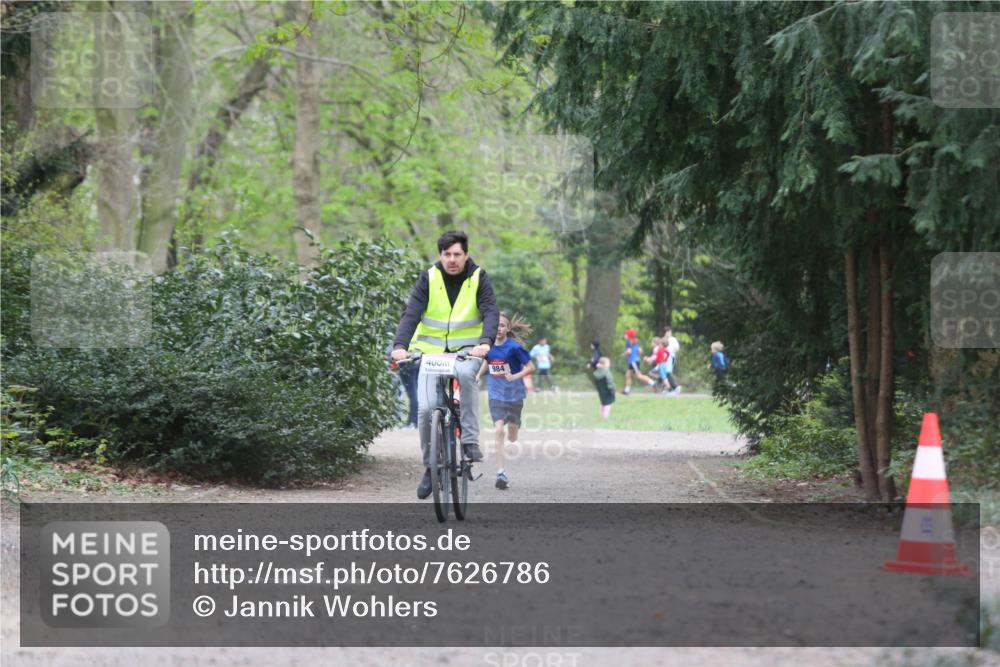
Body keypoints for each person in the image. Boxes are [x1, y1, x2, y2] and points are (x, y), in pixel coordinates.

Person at [390, 231, 499, 499]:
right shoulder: (429, 278)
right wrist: (399, 346)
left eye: (457, 254)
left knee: (465, 375)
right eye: (447, 254)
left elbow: (490, 311)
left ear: (466, 255)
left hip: (466, 351)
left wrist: (485, 342)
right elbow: (412, 313)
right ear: (440, 255)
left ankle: (470, 441)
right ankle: (431, 467)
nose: (452, 260)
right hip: (431, 353)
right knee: (426, 409)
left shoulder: (478, 278)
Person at [476, 312, 534, 490]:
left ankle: (514, 424)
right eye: (496, 325)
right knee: (498, 430)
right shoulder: (488, 347)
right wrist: (478, 375)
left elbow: (531, 367)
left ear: (508, 329)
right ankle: (501, 472)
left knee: (512, 437)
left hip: (515, 396)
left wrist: (515, 375)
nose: (498, 328)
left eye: (502, 325)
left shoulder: (514, 347)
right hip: (496, 396)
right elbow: (489, 361)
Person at [623, 329, 656, 394]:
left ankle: (652, 382)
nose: (625, 335)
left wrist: (624, 354)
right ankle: (626, 391)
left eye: (626, 334)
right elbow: (641, 351)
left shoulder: (628, 343)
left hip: (633, 362)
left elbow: (629, 352)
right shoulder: (635, 342)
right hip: (635, 361)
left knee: (639, 376)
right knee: (627, 375)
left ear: (629, 336)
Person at [663, 326, 682, 394]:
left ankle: (675, 387)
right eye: (667, 332)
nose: (669, 333)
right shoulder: (663, 339)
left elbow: (677, 348)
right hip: (664, 358)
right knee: (664, 373)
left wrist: (670, 352)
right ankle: (667, 387)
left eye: (670, 332)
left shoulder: (673, 339)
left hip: (670, 357)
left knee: (668, 372)